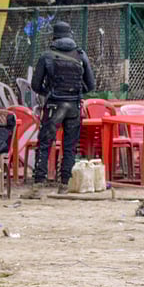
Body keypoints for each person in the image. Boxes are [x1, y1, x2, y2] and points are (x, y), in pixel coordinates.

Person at [24, 21, 96, 197]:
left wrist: (48, 93)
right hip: (74, 107)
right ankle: (64, 184)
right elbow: (91, 85)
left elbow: (35, 85)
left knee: (45, 143)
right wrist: (76, 92)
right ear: (70, 35)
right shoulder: (81, 55)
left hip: (54, 106)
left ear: (54, 36)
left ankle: (38, 184)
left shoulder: (47, 56)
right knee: (70, 146)